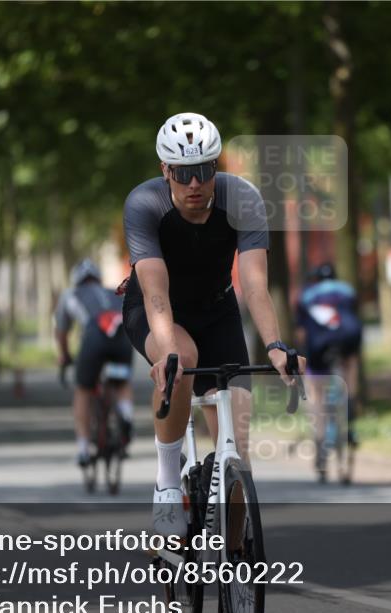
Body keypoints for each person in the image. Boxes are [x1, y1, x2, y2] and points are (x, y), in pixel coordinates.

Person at [121, 111, 305, 537]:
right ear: (165, 170)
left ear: (216, 167)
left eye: (204, 171)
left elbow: (256, 286)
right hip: (156, 311)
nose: (194, 184)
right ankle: (168, 484)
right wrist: (167, 354)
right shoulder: (145, 204)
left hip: (218, 310)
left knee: (238, 453)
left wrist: (276, 345)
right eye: (183, 173)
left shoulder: (242, 199)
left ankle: (235, 559)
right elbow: (155, 295)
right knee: (182, 359)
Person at [55, 258, 135, 469]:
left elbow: (62, 333)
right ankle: (126, 415)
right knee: (121, 382)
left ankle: (82, 449)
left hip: (94, 338)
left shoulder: (69, 295)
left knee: (83, 389)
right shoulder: (114, 292)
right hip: (122, 338)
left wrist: (64, 356)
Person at [294, 262, 363, 471]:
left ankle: (321, 438)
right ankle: (351, 401)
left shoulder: (306, 295)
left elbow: (301, 333)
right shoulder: (348, 290)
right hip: (349, 338)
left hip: (319, 344)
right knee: (350, 363)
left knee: (315, 391)